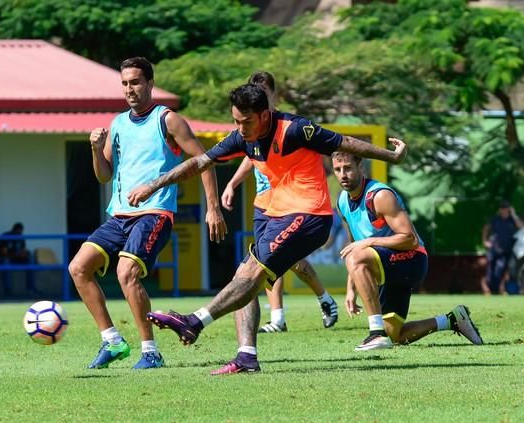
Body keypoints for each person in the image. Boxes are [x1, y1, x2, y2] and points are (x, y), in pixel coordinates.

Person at [129, 83, 407, 375]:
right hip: (275, 213)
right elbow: (200, 162)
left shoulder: (297, 129)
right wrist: (154, 185)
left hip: (309, 214)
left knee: (252, 272)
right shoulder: (241, 137)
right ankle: (247, 355)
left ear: (265, 114)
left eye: (246, 121)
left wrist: (391, 156)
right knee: (245, 276)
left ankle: (194, 322)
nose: (241, 128)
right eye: (236, 121)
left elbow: (345, 143)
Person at [67, 57, 227, 370]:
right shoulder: (117, 124)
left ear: (150, 84)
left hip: (154, 213)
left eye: (136, 82)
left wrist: (213, 207)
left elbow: (203, 160)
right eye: (125, 83)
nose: (130, 89)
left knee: (126, 272)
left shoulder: (167, 120)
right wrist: (94, 149)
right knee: (78, 268)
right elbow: (104, 175)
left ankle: (150, 351)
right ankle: (113, 342)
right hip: (119, 217)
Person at [221, 71, 338, 333]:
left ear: (274, 96)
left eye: (263, 91)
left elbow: (322, 147)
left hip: (294, 202)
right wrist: (232, 183)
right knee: (262, 262)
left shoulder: (289, 126)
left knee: (289, 262)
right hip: (265, 202)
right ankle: (278, 318)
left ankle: (324, 297)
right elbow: (248, 155)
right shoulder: (250, 127)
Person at [332, 151, 484, 350]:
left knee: (358, 256)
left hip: (412, 259)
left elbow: (410, 239)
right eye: (337, 169)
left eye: (348, 168)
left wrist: (369, 242)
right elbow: (356, 247)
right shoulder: (342, 201)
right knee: (396, 335)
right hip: (386, 263)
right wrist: (351, 290)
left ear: (361, 167)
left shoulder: (379, 196)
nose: (343, 174)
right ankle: (452, 319)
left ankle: (376, 334)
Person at [480, 199, 524, 295]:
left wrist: (514, 214)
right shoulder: (495, 219)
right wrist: (484, 241)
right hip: (493, 249)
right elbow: (485, 228)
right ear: (500, 210)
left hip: (505, 250)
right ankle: (486, 288)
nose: (504, 211)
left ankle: (499, 289)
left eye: (506, 209)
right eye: (502, 209)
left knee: (500, 271)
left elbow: (522, 227)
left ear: (509, 209)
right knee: (490, 272)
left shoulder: (512, 220)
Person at [0, 222, 35, 295]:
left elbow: (22, 251)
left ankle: (30, 288)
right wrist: (17, 255)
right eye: (17, 231)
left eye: (20, 231)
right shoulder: (6, 236)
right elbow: (4, 253)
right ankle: (7, 290)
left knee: (29, 260)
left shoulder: (21, 238)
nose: (19, 233)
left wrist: (24, 254)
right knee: (6, 262)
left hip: (14, 258)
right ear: (13, 230)